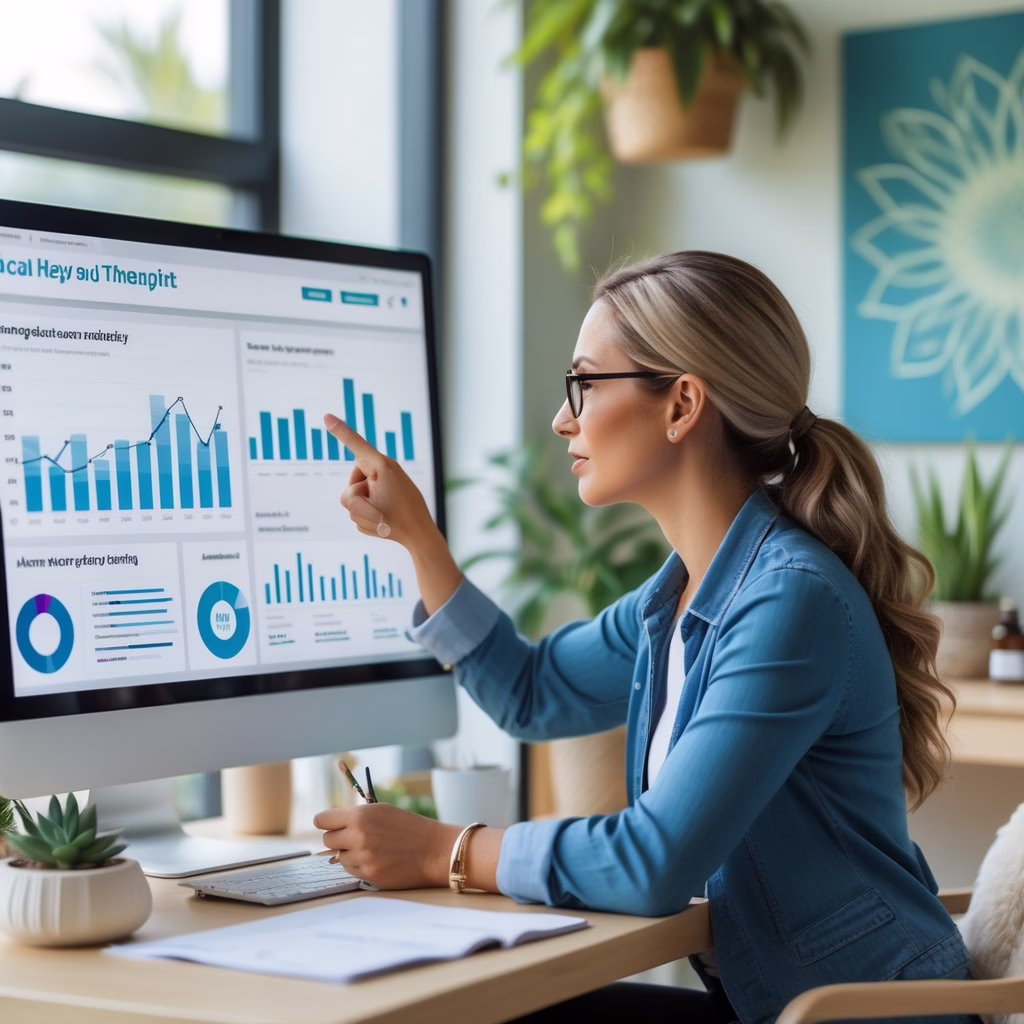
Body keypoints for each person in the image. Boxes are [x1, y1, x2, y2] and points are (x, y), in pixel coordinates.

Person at [313, 251, 976, 1024]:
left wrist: (444, 851)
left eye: (585, 384)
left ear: (681, 404)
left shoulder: (789, 602)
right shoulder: (680, 596)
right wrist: (421, 543)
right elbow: (534, 694)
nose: (564, 417)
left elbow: (651, 861)